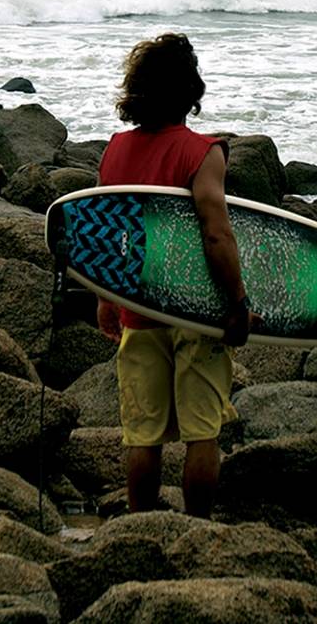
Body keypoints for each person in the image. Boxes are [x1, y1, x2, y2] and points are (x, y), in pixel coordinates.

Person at [94, 33, 254, 518]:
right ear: (191, 91)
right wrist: (237, 301)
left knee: (141, 433)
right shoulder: (202, 152)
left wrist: (106, 298)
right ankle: (197, 528)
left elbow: (107, 232)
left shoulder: (116, 150)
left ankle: (141, 529)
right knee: (202, 429)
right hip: (195, 308)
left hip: (139, 307)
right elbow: (216, 236)